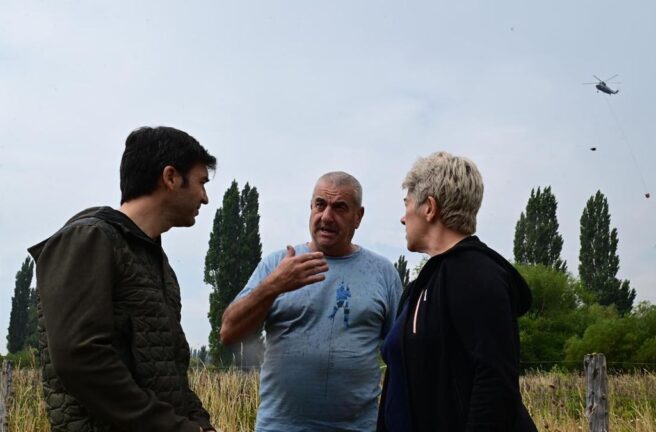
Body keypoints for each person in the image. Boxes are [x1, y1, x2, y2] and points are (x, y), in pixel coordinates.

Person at [28, 126, 217, 432]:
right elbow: (80, 360)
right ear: (170, 177)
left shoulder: (155, 262)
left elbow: (167, 370)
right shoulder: (89, 239)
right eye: (200, 182)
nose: (205, 198)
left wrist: (199, 423)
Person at [220, 171, 402, 432]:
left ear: (358, 217)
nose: (327, 216)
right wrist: (274, 285)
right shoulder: (277, 265)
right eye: (320, 205)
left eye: (340, 208)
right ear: (311, 208)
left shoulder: (383, 274)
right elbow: (229, 332)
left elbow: (400, 355)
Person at [378, 151, 538, 431]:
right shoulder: (419, 287)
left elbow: (494, 383)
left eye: (407, 205)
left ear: (429, 208)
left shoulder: (477, 275)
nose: (403, 218)